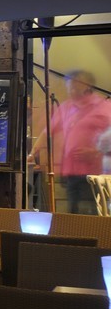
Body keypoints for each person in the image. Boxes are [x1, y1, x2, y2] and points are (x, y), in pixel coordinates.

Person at [46, 70, 111, 214]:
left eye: (75, 87)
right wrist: (32, 153)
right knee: (73, 214)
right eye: (69, 87)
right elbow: (47, 132)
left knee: (94, 213)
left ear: (87, 86)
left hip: (95, 173)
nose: (71, 91)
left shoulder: (104, 106)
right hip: (72, 172)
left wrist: (96, 152)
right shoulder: (66, 107)